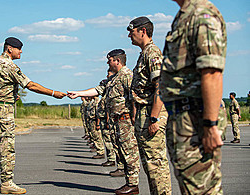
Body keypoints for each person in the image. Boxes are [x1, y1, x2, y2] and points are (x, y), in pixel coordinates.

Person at [159, 0, 227, 194]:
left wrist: (210, 124)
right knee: (190, 186)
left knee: (202, 189)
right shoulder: (185, 15)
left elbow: (212, 72)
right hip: (183, 117)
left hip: (195, 119)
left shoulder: (202, 15)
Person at [0, 37, 66, 194]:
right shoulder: (10, 66)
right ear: (10, 49)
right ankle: (7, 182)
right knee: (6, 145)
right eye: (19, 49)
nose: (21, 51)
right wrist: (53, 93)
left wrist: (7, 92)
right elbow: (30, 85)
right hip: (4, 108)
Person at [68, 49, 140, 195]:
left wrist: (134, 118)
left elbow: (134, 97)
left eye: (110, 60)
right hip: (116, 122)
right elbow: (97, 90)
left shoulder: (127, 75)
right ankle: (129, 182)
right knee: (121, 151)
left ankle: (133, 184)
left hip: (125, 120)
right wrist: (78, 93)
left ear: (117, 61)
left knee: (129, 152)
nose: (108, 63)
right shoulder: (113, 79)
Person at [127, 16, 172, 194]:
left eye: (131, 32)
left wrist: (154, 117)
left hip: (151, 113)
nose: (129, 36)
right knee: (150, 164)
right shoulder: (144, 53)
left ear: (142, 31)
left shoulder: (153, 54)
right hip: (145, 113)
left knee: (156, 163)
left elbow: (161, 87)